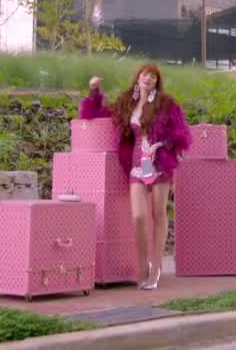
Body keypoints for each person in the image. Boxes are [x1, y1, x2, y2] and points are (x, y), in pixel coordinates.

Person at [79, 66, 191, 290]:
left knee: (158, 214)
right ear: (138, 77)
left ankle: (157, 266)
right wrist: (94, 90)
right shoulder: (127, 102)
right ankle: (143, 265)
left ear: (157, 81)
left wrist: (161, 144)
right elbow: (95, 114)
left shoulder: (166, 103)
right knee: (138, 217)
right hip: (137, 165)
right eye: (144, 74)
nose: (147, 78)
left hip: (160, 162)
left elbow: (181, 134)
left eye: (152, 76)